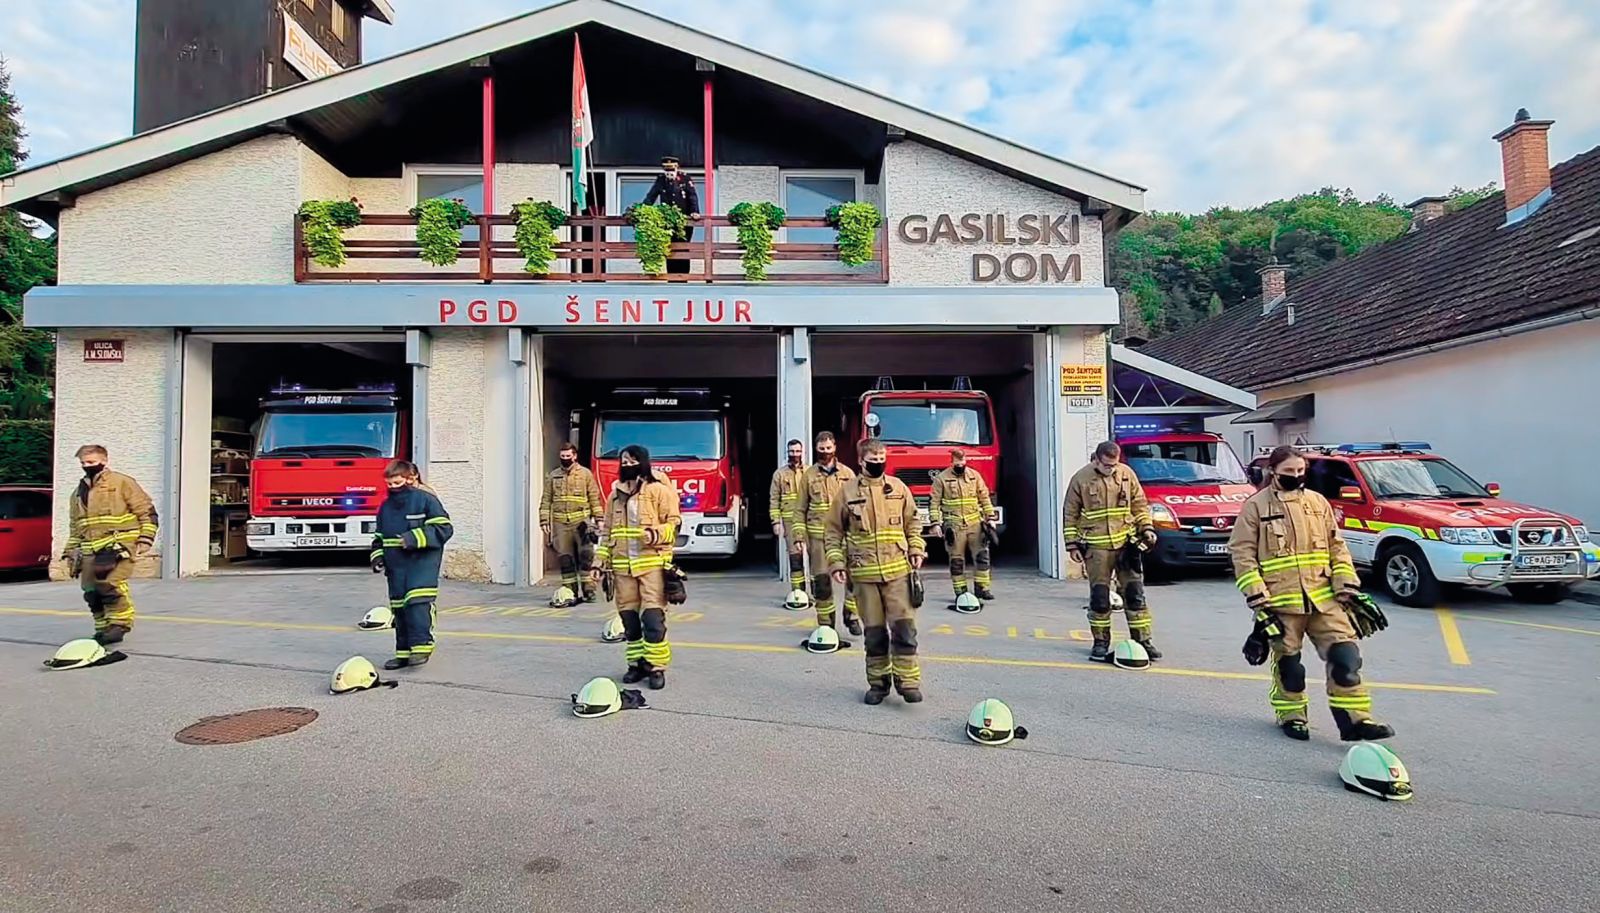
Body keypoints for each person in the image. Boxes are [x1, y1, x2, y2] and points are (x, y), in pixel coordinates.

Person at [1229, 446, 1395, 742]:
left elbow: (1337, 546)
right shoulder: (1255, 506)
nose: (1296, 476)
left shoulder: (1318, 503)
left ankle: (1356, 721)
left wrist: (1347, 584)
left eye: (1300, 471)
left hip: (1325, 598)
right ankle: (1292, 716)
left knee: (1346, 659)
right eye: (1289, 472)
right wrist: (1257, 598)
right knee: (1290, 667)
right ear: (1273, 472)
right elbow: (1242, 554)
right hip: (1280, 602)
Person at [824, 438, 927, 704]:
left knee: (905, 630)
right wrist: (836, 563)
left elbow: (913, 523)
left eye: (883, 460)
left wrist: (916, 549)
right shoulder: (846, 493)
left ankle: (908, 682)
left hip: (898, 575)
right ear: (861, 461)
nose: (879, 464)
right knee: (875, 634)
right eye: (874, 460)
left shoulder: (898, 488)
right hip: (864, 576)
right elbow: (833, 532)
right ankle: (878, 684)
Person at [590, 445, 681, 690]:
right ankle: (637, 664)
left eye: (632, 460)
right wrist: (599, 563)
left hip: (652, 567)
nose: (627, 464)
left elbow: (675, 525)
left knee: (653, 620)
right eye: (623, 460)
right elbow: (607, 533)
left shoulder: (659, 491)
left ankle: (656, 667)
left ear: (643, 462)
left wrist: (655, 534)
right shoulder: (614, 496)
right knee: (629, 622)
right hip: (622, 571)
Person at [1063, 441, 1161, 662]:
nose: (1111, 469)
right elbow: (1070, 513)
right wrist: (1072, 545)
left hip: (1126, 544)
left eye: (1114, 465)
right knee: (1100, 599)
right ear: (1096, 459)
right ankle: (1100, 643)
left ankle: (1143, 642)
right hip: (1096, 548)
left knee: (1135, 595)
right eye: (1107, 465)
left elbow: (1139, 504)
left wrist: (1146, 528)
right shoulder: (1081, 479)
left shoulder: (1127, 474)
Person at [60, 445, 158, 645]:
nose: (86, 466)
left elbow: (146, 511)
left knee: (110, 583)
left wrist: (145, 539)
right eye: (83, 463)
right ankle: (102, 628)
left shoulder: (122, 483)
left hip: (118, 544)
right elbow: (76, 526)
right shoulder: (77, 493)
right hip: (90, 548)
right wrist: (70, 551)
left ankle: (119, 624)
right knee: (90, 590)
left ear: (104, 461)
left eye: (91, 462)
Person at [371, 460, 453, 669]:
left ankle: (421, 648)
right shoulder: (386, 507)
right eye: (389, 484)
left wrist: (413, 538)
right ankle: (404, 652)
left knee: (417, 604)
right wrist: (378, 556)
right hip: (396, 566)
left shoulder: (426, 500)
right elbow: (379, 536)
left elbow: (444, 529)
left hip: (421, 563)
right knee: (399, 608)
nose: (392, 488)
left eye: (397, 482)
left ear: (409, 478)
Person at [794, 431, 860, 634]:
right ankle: (826, 624)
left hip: (845, 537)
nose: (825, 452)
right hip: (818, 538)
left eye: (828, 448)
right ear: (816, 449)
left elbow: (858, 506)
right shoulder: (808, 475)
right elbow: (800, 508)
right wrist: (798, 535)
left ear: (835, 448)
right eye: (821, 449)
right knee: (822, 582)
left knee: (855, 577)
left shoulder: (848, 474)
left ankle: (851, 615)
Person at [540, 441, 604, 606]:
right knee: (565, 558)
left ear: (574, 456)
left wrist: (599, 519)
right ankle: (570, 590)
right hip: (561, 522)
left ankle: (589, 590)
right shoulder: (553, 476)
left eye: (568, 456)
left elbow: (594, 498)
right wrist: (544, 520)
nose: (565, 459)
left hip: (581, 522)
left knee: (586, 557)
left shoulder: (585, 474)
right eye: (562, 457)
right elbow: (546, 499)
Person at [929, 447, 997, 601]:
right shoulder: (941, 479)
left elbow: (984, 498)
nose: (960, 466)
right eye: (957, 463)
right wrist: (935, 524)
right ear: (951, 462)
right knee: (957, 560)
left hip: (975, 523)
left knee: (982, 556)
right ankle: (960, 591)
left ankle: (982, 588)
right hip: (954, 526)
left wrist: (990, 518)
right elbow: (934, 503)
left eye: (963, 462)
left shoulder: (975, 476)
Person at [642, 154, 701, 274]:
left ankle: (684, 276)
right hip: (667, 222)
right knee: (670, 247)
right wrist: (643, 210)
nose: (669, 172)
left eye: (671, 169)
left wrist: (695, 211)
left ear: (676, 167)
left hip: (684, 222)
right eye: (667, 169)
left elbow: (692, 196)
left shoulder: (685, 179)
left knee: (683, 247)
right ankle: (672, 275)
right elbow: (651, 196)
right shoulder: (661, 180)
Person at [768, 439, 807, 599]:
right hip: (789, 522)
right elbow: (774, 499)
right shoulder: (779, 474)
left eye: (797, 451)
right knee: (795, 558)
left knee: (815, 558)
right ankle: (798, 592)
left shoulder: (810, 472)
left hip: (809, 521)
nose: (795, 455)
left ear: (802, 452)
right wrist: (776, 522)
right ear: (787, 453)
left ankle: (819, 594)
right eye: (792, 452)